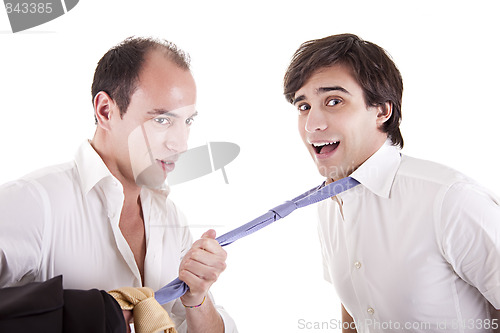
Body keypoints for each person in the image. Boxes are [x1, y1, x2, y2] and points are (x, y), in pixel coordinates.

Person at [0, 37, 236, 333]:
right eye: (162, 120)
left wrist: (197, 298)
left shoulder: (171, 219)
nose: (181, 143)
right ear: (105, 111)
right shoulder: (36, 203)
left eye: (187, 121)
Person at [283, 33, 499, 332]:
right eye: (303, 106)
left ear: (382, 111)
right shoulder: (328, 206)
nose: (312, 124)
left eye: (334, 101)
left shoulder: (450, 199)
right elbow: (355, 313)